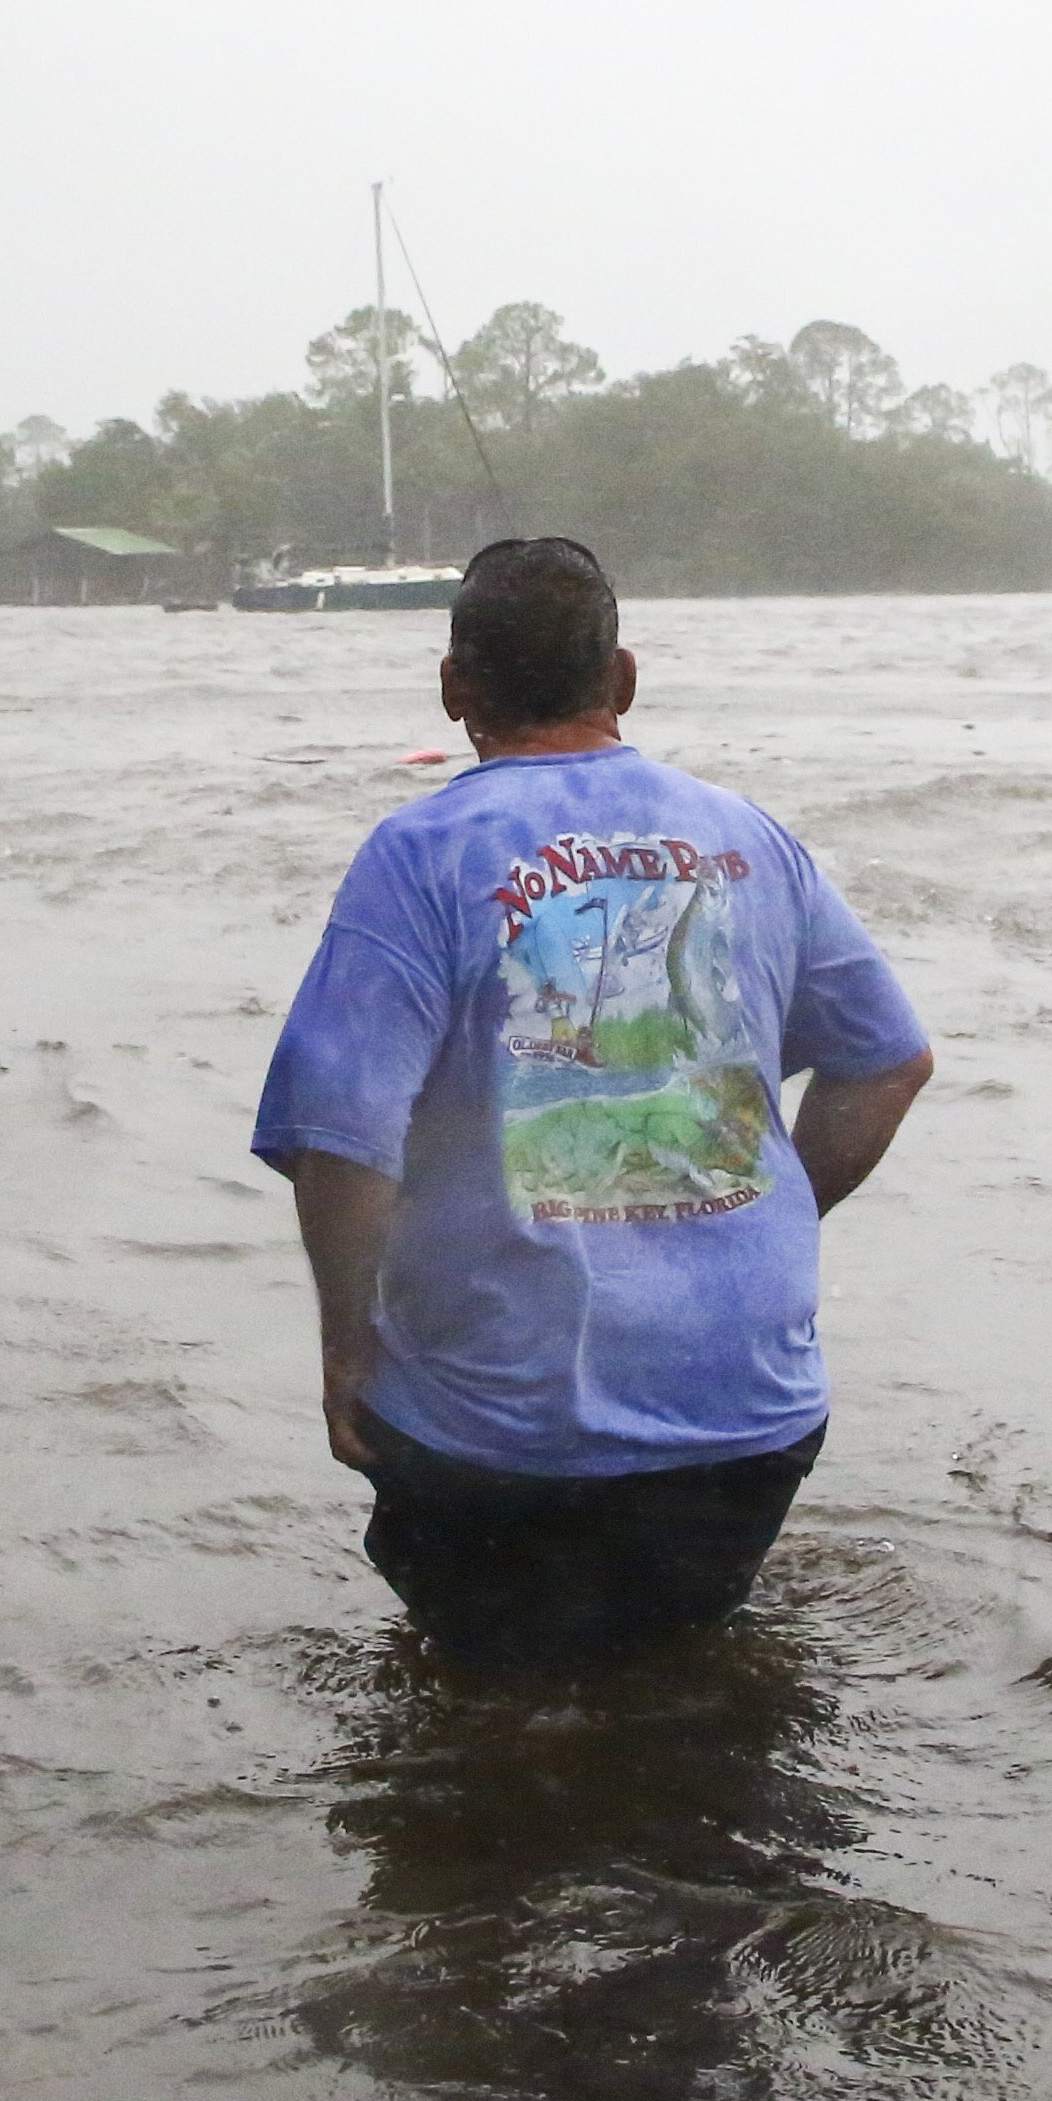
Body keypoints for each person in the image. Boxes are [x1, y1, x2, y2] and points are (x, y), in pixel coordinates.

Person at [249, 536, 935, 1671]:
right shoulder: (752, 838)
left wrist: (344, 1352)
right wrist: (768, 1213)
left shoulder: (418, 856)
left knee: (487, 1712)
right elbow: (889, 1063)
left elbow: (344, 1142)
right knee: (683, 1687)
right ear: (622, 679)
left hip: (508, 1434)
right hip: (751, 1415)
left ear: (454, 689)